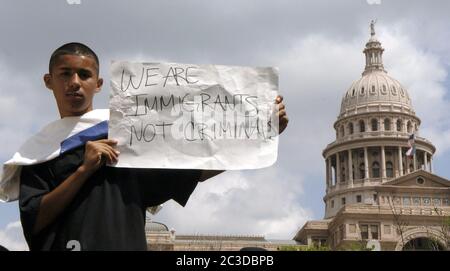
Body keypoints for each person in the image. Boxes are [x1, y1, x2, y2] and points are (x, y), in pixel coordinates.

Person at [6, 42, 289, 251]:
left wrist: (260, 132)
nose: (75, 83)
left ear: (99, 83)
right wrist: (83, 170)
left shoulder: (128, 138)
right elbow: (35, 220)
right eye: (65, 74)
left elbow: (192, 171)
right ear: (48, 81)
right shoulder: (38, 152)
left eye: (84, 75)